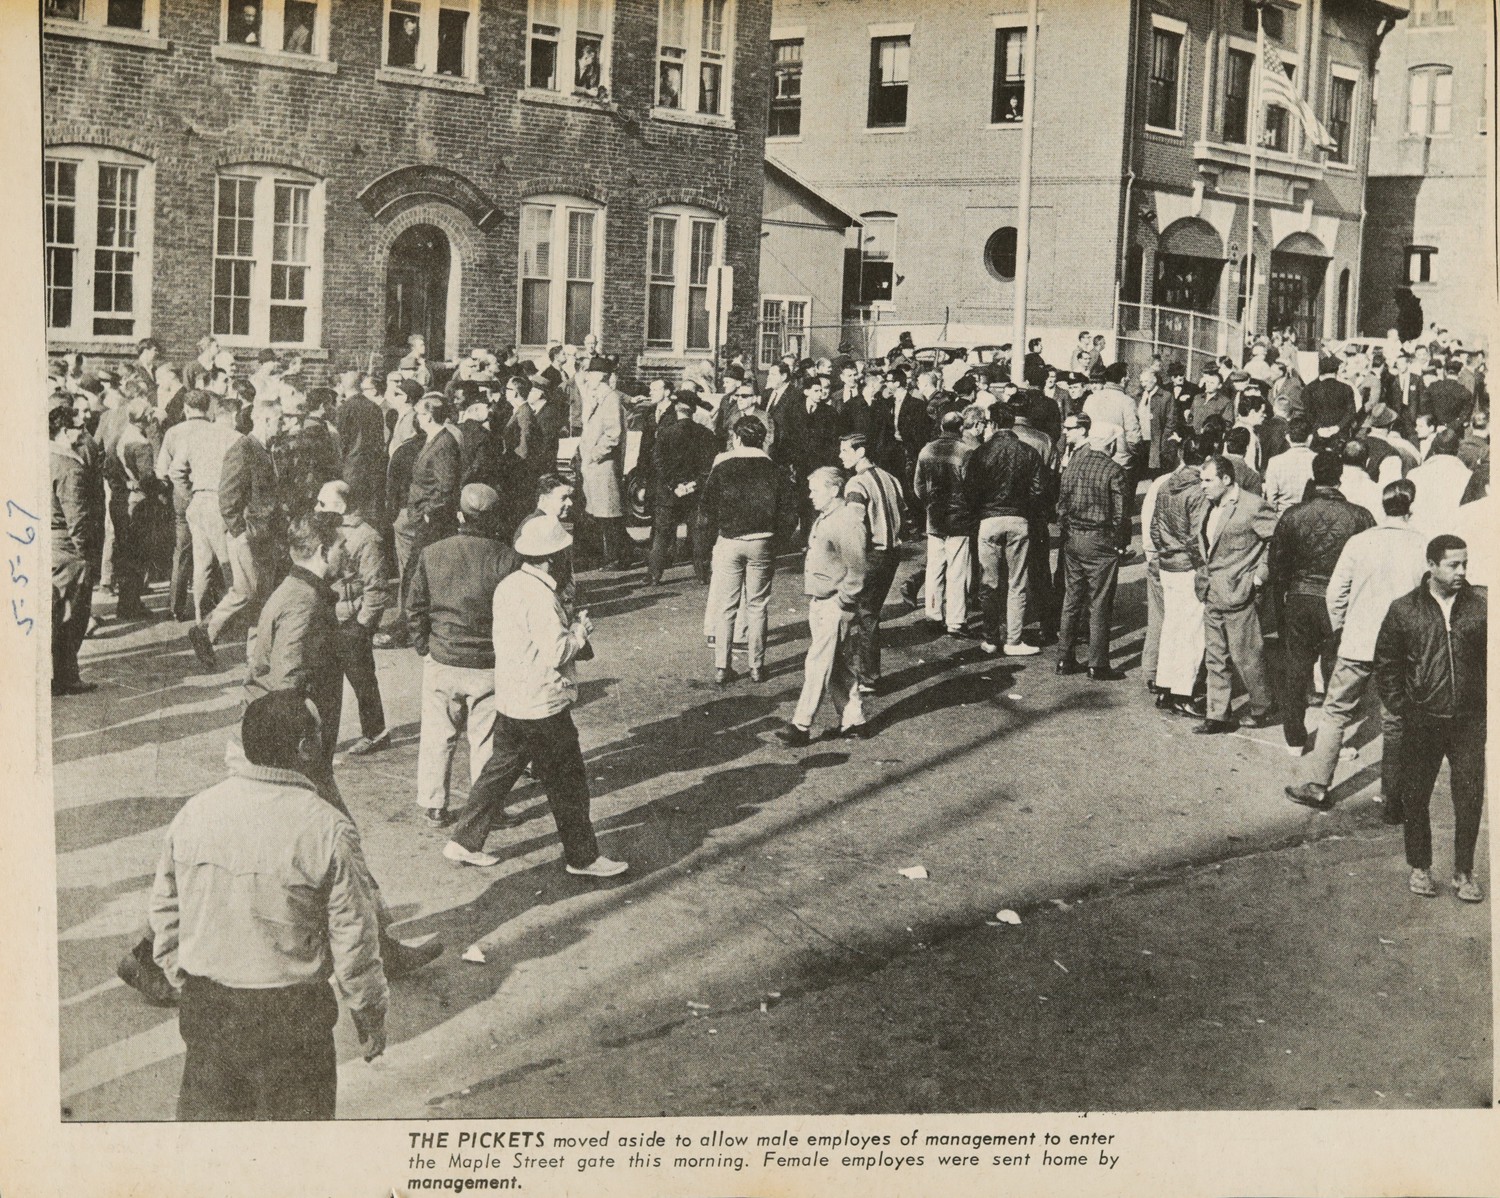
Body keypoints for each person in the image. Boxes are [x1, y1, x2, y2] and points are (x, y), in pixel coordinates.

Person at [148, 691, 387, 1120]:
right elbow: (354, 937)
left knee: (210, 1163)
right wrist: (368, 1012)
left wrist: (181, 975)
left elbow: (166, 907)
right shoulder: (328, 828)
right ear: (304, 748)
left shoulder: (195, 812)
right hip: (292, 1017)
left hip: (209, 1010)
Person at [441, 515, 628, 878]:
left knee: (499, 772)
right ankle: (583, 857)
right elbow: (557, 652)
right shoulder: (541, 596)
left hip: (512, 699)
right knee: (569, 783)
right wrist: (580, 630)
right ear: (553, 557)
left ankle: (464, 840)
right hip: (543, 705)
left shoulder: (510, 584)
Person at [1285, 480, 1427, 815]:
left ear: (1383, 505)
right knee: (1395, 719)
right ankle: (1394, 798)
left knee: (1336, 711)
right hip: (1401, 646)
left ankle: (1318, 785)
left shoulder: (1360, 542)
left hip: (1358, 640)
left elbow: (1336, 594)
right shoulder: (1423, 546)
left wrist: (1341, 627)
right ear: (1411, 508)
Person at [1374, 535, 1486, 902]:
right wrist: (1403, 707)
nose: (1462, 571)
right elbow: (1386, 664)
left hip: (1469, 722)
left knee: (1469, 798)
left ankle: (1463, 873)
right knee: (1415, 796)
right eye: (1453, 564)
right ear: (1432, 565)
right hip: (1423, 720)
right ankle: (1420, 867)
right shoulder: (1404, 609)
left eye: (1465, 563)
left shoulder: (1480, 608)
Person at [407, 483, 519, 826]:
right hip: (488, 663)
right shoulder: (506, 558)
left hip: (443, 658)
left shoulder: (432, 553)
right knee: (485, 739)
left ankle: (434, 805)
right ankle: (487, 808)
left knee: (438, 736)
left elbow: (415, 607)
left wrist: (424, 645)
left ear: (459, 514)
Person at [1269, 451, 1376, 754]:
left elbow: (1277, 564)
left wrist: (1284, 604)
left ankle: (1294, 737)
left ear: (1314, 476)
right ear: (1340, 475)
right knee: (1337, 670)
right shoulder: (1360, 516)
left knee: (1297, 667)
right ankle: (1334, 740)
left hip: (1301, 597)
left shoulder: (1292, 515)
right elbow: (1370, 560)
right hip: (1340, 601)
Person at [776, 467, 870, 745]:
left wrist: (844, 601)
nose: (810, 496)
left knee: (817, 664)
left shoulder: (845, 520)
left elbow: (858, 568)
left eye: (815, 490)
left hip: (834, 603)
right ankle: (854, 719)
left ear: (833, 490)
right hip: (823, 601)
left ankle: (801, 725)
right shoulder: (829, 517)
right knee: (837, 665)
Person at [700, 417, 794, 684]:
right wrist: (778, 540)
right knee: (758, 605)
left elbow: (705, 510)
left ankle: (722, 666)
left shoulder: (723, 467)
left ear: (737, 438)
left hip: (729, 541)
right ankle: (756, 666)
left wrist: (712, 540)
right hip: (762, 542)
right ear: (762, 439)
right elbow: (789, 514)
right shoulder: (774, 470)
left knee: (726, 606)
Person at [190, 397, 282, 671]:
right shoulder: (243, 449)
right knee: (246, 592)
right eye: (280, 419)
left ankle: (256, 658)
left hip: (264, 535)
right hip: (247, 536)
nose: (283, 424)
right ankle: (206, 630)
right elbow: (227, 498)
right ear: (265, 420)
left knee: (262, 596)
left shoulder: (266, 449)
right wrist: (239, 532)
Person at [1193, 455, 1279, 734]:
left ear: (1227, 479)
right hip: (1211, 591)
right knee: (1215, 656)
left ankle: (1262, 706)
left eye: (1208, 480)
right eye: (1201, 480)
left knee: (1247, 656)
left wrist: (1258, 576)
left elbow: (1277, 542)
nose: (1203, 486)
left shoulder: (1253, 506)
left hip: (1238, 592)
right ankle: (1217, 714)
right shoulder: (1207, 505)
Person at [315, 481, 391, 757]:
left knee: (361, 679)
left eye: (322, 503)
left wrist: (363, 625)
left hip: (351, 621)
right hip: (328, 617)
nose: (316, 508)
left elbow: (376, 587)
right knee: (325, 680)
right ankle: (325, 737)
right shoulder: (325, 530)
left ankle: (376, 732)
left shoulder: (367, 537)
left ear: (341, 506)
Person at [966, 404, 1045, 656]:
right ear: (1013, 422)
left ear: (991, 423)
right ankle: (1013, 640)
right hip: (1018, 520)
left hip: (988, 521)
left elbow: (971, 492)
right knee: (1016, 582)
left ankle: (991, 638)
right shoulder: (1029, 452)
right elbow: (1038, 490)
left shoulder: (981, 453)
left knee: (989, 582)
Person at [1055, 417, 1127, 679]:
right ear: (1111, 444)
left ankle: (1064, 657)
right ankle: (1098, 663)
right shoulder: (1114, 471)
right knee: (1099, 602)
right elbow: (1120, 514)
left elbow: (1061, 504)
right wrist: (1119, 544)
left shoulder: (1073, 465)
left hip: (1073, 538)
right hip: (1100, 540)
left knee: (1071, 598)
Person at [167, 391, 242, 626]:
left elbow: (175, 471)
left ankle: (201, 617)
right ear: (234, 415)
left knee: (202, 565)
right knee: (229, 563)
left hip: (198, 504)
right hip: (221, 504)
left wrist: (191, 495)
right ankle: (229, 618)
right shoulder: (237, 438)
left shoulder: (195, 437)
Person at [839, 432, 906, 689]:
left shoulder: (856, 483)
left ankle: (862, 675)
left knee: (857, 613)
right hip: (892, 553)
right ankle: (868, 673)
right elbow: (903, 512)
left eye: (845, 450)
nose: (840, 455)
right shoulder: (891, 478)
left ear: (861, 452)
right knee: (870, 613)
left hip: (872, 554)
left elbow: (854, 525)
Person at [914, 408, 979, 637]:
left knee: (934, 569)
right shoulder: (966, 452)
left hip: (935, 518)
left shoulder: (926, 450)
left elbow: (918, 486)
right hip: (959, 519)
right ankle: (955, 621)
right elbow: (972, 487)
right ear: (961, 428)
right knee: (957, 571)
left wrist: (930, 504)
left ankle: (933, 615)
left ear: (941, 427)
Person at [50, 404, 101, 695]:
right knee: (72, 617)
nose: (83, 433)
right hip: (68, 550)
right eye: (78, 428)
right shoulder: (70, 467)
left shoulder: (40, 455)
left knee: (55, 613)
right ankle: (67, 677)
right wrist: (85, 558)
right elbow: (78, 519)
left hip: (48, 543)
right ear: (65, 432)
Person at [647, 391, 717, 587]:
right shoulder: (706, 435)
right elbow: (709, 466)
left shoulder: (665, 433)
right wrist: (693, 484)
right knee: (698, 534)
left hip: (669, 494)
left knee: (661, 535)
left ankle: (654, 575)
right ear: (694, 410)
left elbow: (658, 463)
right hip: (695, 494)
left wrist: (674, 484)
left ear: (676, 409)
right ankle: (702, 574)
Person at [577, 358, 632, 568]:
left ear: (600, 376)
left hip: (604, 466)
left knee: (609, 514)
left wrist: (594, 454)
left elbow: (613, 435)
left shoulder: (610, 399)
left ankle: (618, 557)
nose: (587, 377)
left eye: (591, 373)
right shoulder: (598, 397)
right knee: (602, 513)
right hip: (595, 466)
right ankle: (620, 553)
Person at [337, 373, 390, 526]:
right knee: (370, 517)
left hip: (351, 469)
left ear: (342, 387)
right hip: (373, 468)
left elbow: (342, 442)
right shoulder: (374, 407)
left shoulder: (344, 409)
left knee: (352, 515)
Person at [1407, 428, 1472, 534]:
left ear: (1434, 448)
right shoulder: (1468, 476)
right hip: (1452, 539)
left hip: (1419, 535)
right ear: (1457, 450)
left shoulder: (1414, 474)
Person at [1263, 416, 1317, 513]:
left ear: (1288, 438)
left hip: (1283, 518)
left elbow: (1271, 500)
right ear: (1310, 438)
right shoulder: (1318, 460)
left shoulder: (1275, 462)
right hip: (1312, 517)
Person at [1301, 355, 1358, 440]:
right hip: (1340, 436)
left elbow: (1307, 412)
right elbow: (1351, 411)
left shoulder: (1309, 389)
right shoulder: (1346, 388)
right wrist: (1338, 427)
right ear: (1336, 370)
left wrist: (1318, 428)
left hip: (1317, 435)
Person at [1422, 358, 1475, 431]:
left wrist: (1434, 424)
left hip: (1434, 428)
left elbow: (1424, 406)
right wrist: (1450, 426)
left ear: (1445, 372)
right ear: (1459, 374)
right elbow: (1465, 416)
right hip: (1454, 432)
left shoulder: (1433, 386)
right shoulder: (1465, 392)